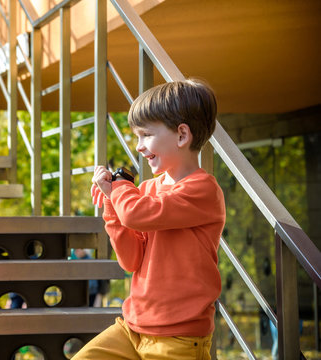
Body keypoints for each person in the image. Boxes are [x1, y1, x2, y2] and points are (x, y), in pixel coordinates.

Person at [74, 79, 226, 359]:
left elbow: (136, 213)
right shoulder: (147, 191)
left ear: (182, 135)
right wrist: (111, 205)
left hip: (179, 337)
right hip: (132, 329)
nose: (139, 146)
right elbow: (131, 260)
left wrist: (119, 190)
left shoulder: (202, 190)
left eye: (146, 135)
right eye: (137, 136)